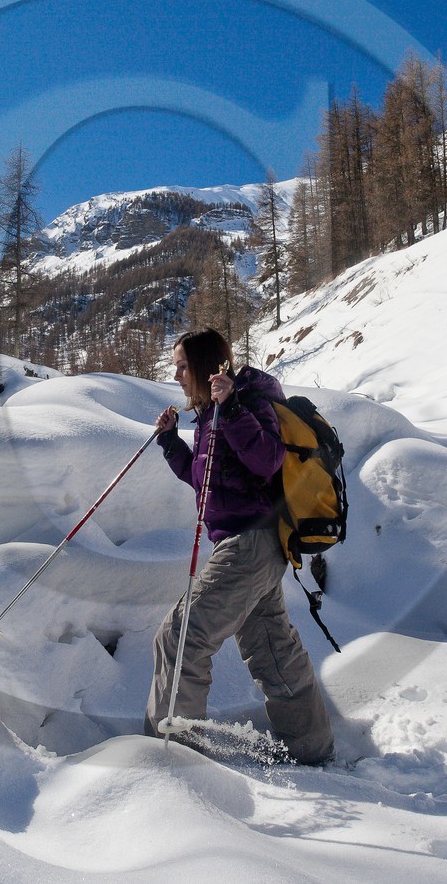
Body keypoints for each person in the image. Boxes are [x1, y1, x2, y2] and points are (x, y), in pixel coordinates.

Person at [143, 328, 334, 765]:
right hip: (249, 546)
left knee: (180, 637)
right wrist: (171, 441)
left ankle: (172, 760)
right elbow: (206, 480)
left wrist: (230, 409)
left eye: (182, 366)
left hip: (251, 544)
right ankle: (312, 749)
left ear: (204, 364)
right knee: (272, 649)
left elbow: (267, 459)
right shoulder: (210, 415)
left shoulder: (243, 403)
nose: (177, 375)